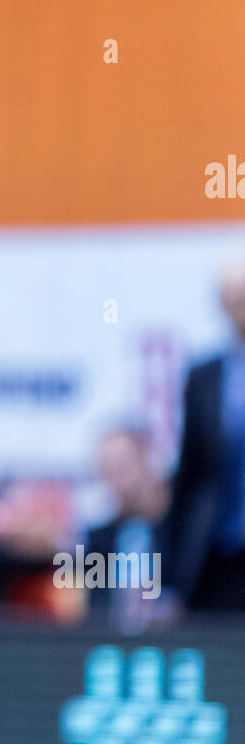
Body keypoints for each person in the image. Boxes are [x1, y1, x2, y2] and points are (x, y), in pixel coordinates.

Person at [165, 262, 245, 612]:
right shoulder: (204, 377)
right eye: (233, 299)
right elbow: (189, 474)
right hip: (216, 549)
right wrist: (168, 579)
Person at [84, 425, 172, 631]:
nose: (116, 477)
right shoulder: (99, 539)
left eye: (122, 465)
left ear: (144, 459)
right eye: (108, 468)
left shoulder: (180, 531)